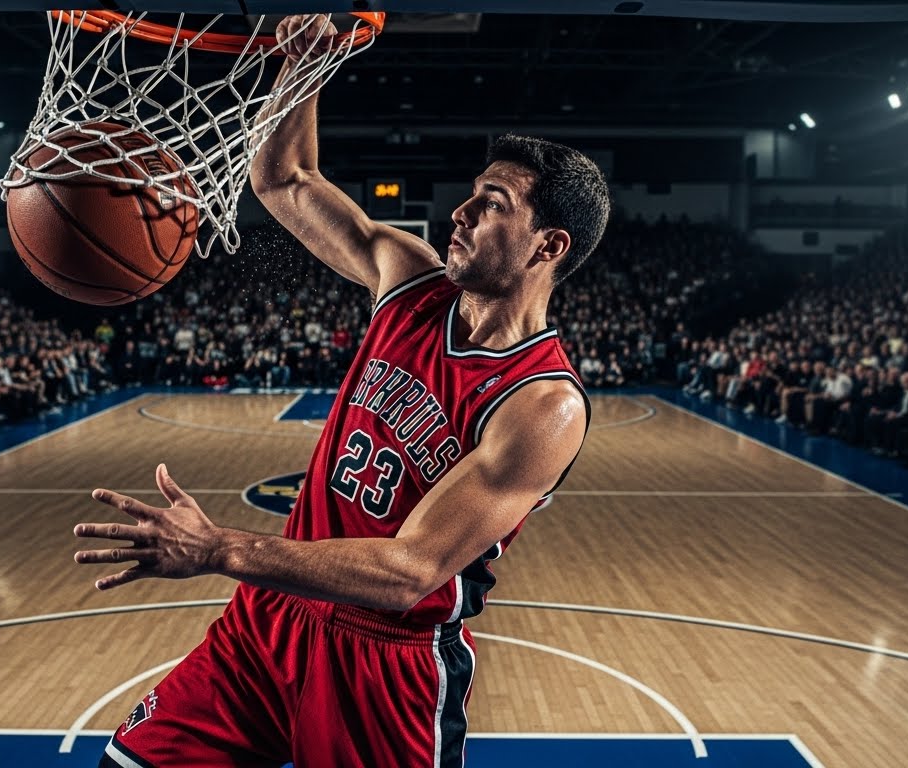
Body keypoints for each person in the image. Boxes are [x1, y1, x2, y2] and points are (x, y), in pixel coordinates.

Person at [73, 15, 604, 768]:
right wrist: (305, 66)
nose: (460, 211)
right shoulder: (408, 281)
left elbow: (410, 570)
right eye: (471, 194)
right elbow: (283, 182)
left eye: (492, 203)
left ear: (548, 246)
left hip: (381, 665)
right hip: (268, 620)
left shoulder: (543, 403)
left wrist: (220, 547)